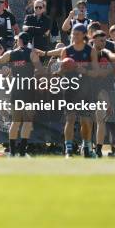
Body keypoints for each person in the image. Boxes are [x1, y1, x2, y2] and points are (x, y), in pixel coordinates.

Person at [0, 32, 43, 157]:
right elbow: (40, 70)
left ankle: (13, 153)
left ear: (20, 41)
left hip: (16, 89)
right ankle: (23, 153)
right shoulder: (32, 53)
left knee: (15, 121)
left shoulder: (11, 53)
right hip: (28, 89)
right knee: (27, 122)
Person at [45, 23, 101, 158]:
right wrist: (58, 73)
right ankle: (68, 149)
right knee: (70, 119)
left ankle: (86, 146)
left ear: (83, 35)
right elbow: (62, 70)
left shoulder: (90, 51)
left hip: (86, 89)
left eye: (77, 34)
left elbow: (97, 72)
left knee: (85, 122)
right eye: (73, 34)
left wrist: (85, 70)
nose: (74, 36)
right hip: (70, 88)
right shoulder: (67, 51)